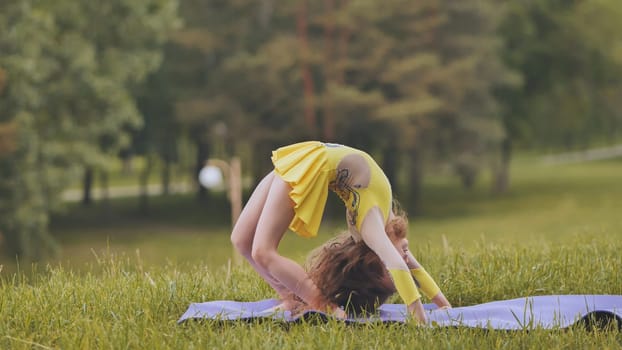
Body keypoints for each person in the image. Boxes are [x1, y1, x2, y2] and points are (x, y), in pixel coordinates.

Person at [230, 141, 450, 323]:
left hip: (312, 165)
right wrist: (444, 304)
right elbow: (412, 268)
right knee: (241, 240)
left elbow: (399, 266)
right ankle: (296, 300)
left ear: (376, 259)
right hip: (307, 156)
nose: (404, 258)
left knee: (261, 251)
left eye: (389, 272)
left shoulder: (370, 227)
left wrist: (419, 320)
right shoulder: (387, 221)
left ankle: (325, 307)